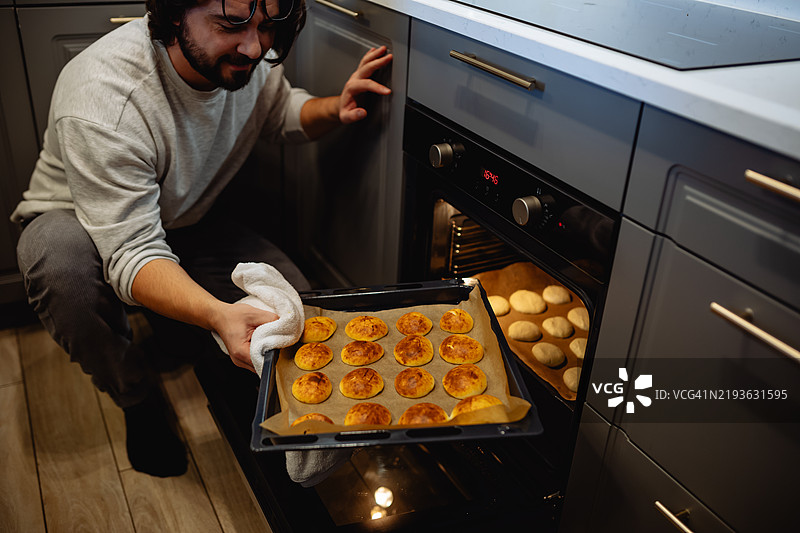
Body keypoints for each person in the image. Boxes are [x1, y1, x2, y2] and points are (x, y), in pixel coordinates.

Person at [10, 0, 392, 477]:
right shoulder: (105, 97)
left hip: (184, 220)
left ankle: (175, 327)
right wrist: (217, 315)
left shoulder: (244, 58)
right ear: (174, 12)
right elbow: (133, 252)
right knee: (59, 265)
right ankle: (136, 397)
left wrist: (336, 107)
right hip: (80, 226)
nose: (254, 46)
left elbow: (278, 112)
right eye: (230, 23)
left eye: (267, 26)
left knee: (295, 312)